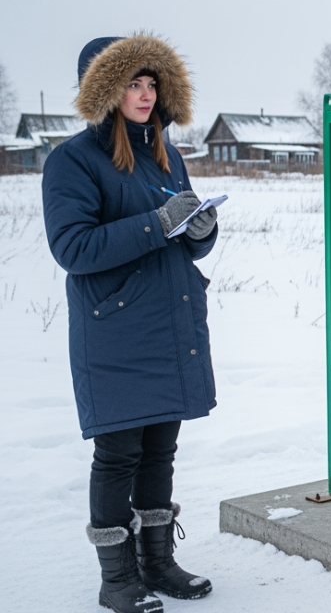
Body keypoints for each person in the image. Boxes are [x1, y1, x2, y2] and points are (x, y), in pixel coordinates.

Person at [43, 35, 220, 613]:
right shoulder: (71, 160)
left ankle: (158, 563)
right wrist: (155, 223)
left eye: (151, 84)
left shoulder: (166, 153)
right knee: (119, 453)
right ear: (103, 88)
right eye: (132, 84)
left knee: (161, 451)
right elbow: (73, 247)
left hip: (170, 327)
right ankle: (117, 578)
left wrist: (200, 232)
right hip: (116, 333)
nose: (144, 95)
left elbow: (181, 238)